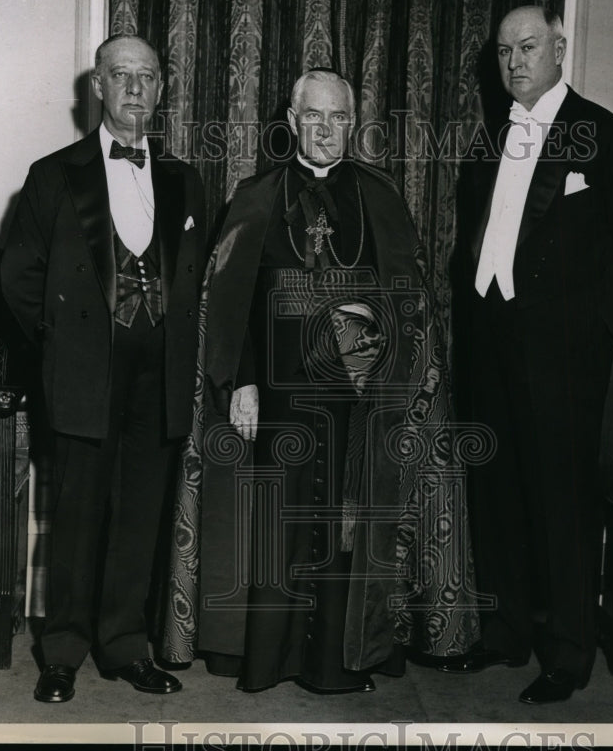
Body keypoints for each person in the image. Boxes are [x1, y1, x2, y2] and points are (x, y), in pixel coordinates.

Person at [159, 69, 479, 693]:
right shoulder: (255, 197)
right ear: (291, 121)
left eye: (338, 118)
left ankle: (334, 662)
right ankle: (267, 660)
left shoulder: (381, 197)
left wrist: (385, 373)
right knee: (277, 526)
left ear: (351, 124)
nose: (326, 130)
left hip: (358, 396)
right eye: (314, 117)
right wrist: (243, 382)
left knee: (344, 529)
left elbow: (408, 297)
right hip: (278, 394)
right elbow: (230, 303)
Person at [445, 6, 613, 704]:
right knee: (497, 495)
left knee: (565, 509)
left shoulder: (611, 139)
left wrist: (593, 347)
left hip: (566, 363)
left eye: (529, 46)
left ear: (561, 47)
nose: (514, 62)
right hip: (490, 349)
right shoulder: (488, 142)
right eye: (504, 51)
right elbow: (473, 243)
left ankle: (568, 652)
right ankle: (505, 633)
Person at [0, 35, 207, 703]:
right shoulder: (52, 175)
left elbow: (199, 279)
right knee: (79, 515)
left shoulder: (185, 179)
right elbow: (17, 275)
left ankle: (124, 647)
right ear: (97, 86)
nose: (135, 88)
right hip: (85, 373)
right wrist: (63, 345)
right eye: (122, 75)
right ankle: (61, 652)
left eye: (147, 77)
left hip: (160, 375)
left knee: (141, 515)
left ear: (162, 88)